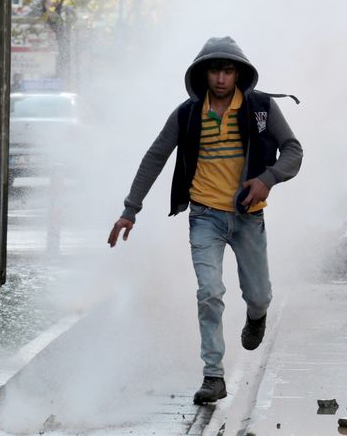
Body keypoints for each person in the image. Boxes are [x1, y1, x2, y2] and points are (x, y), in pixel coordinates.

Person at [107, 36, 303, 405]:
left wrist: (267, 179)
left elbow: (293, 149)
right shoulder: (188, 113)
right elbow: (155, 157)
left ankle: (257, 316)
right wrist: (129, 210)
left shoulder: (261, 108)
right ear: (203, 73)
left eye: (228, 70)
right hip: (205, 216)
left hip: (249, 218)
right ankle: (213, 375)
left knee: (259, 296)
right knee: (209, 293)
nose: (221, 77)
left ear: (239, 74)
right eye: (215, 69)